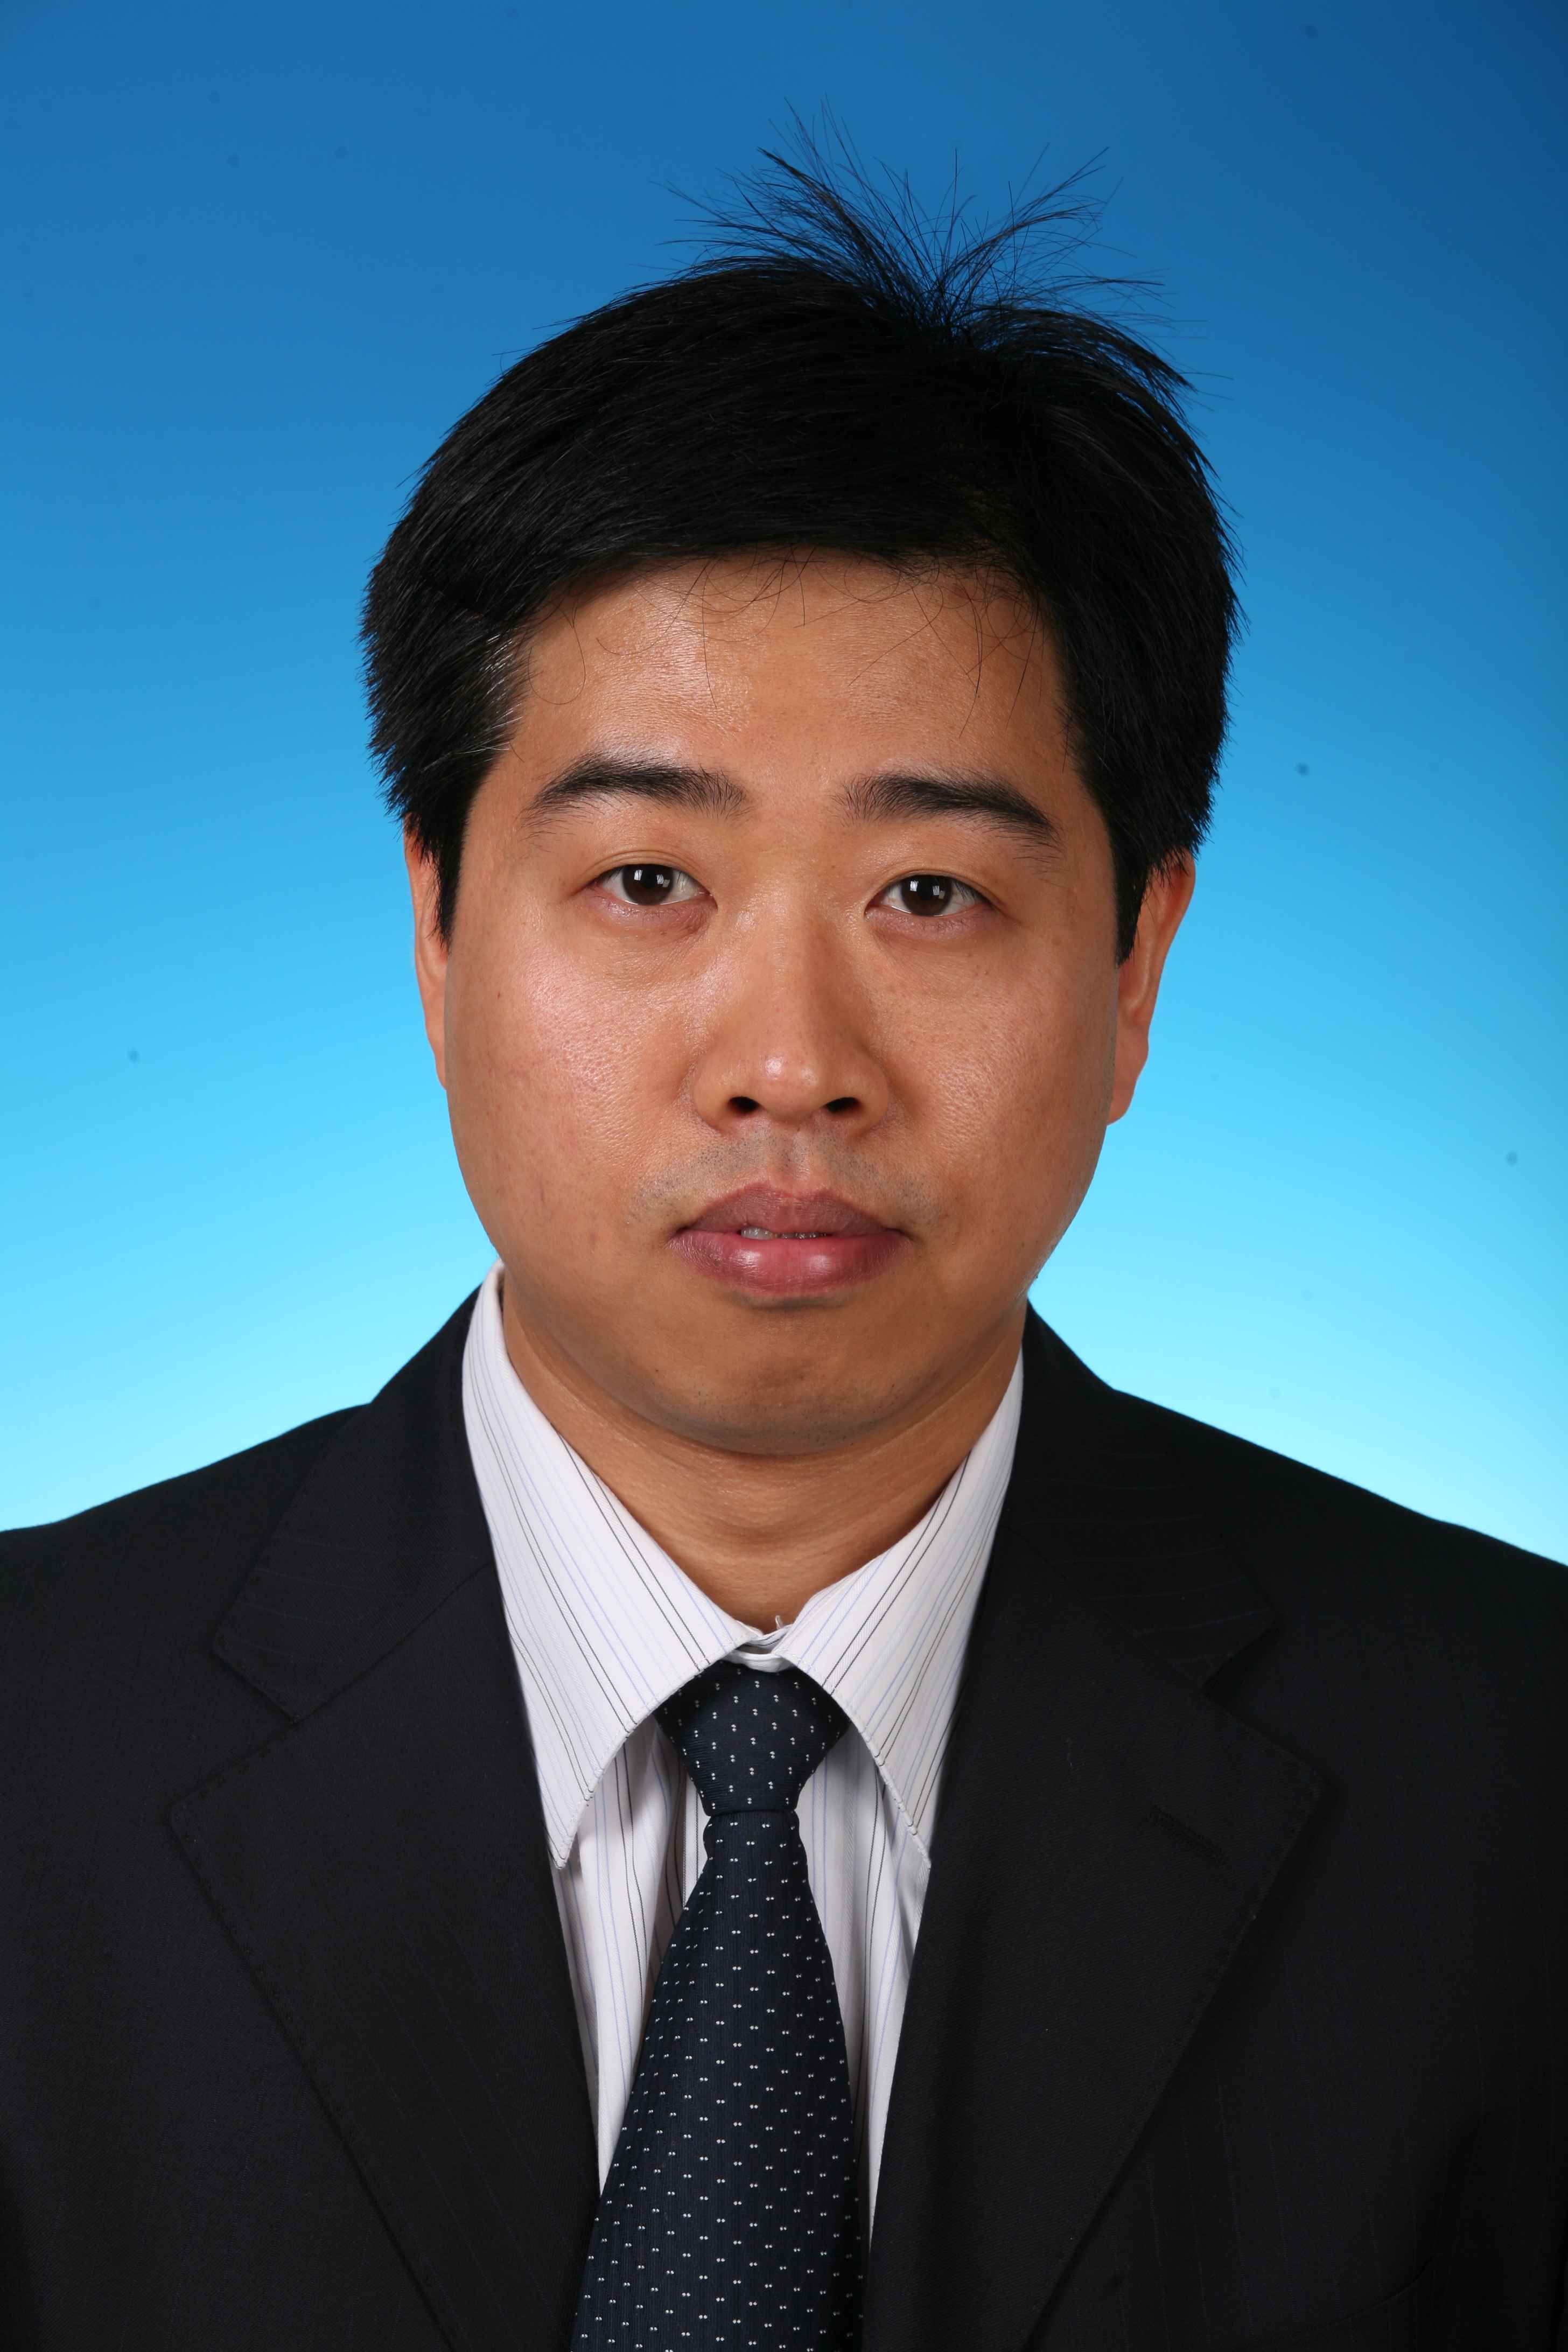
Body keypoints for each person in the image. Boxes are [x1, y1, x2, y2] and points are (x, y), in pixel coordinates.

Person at [2, 130, 1564, 2352]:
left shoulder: (1509, 1780)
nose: (789, 1065)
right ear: (437, 933)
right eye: (648, 881)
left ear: (1135, 970)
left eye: (930, 893)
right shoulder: (33, 1746)